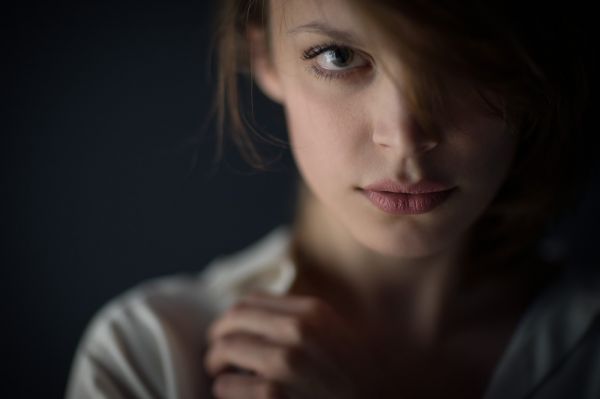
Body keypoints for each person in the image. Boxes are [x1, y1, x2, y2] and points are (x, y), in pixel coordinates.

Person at [66, 0, 598, 398]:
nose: (406, 138)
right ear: (264, 55)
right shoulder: (152, 358)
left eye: (465, 60)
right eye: (339, 56)